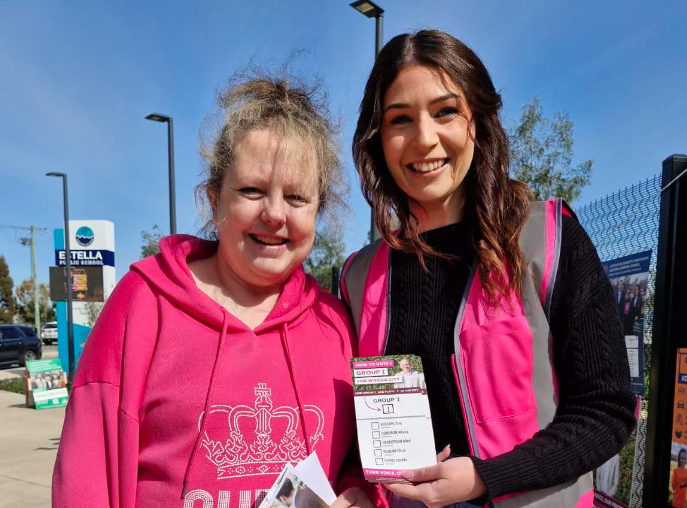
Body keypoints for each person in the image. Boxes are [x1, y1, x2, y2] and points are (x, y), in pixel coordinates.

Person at [53, 73, 381, 508]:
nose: (275, 214)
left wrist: (359, 491)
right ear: (214, 198)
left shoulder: (335, 323)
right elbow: (86, 478)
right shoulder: (143, 304)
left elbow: (362, 462)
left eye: (298, 197)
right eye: (251, 190)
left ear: (319, 209)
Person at [341, 29, 636, 508]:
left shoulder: (549, 238)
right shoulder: (356, 278)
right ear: (378, 140)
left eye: (445, 112)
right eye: (400, 120)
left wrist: (485, 477)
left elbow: (607, 410)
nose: (424, 138)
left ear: (476, 120)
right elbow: (350, 435)